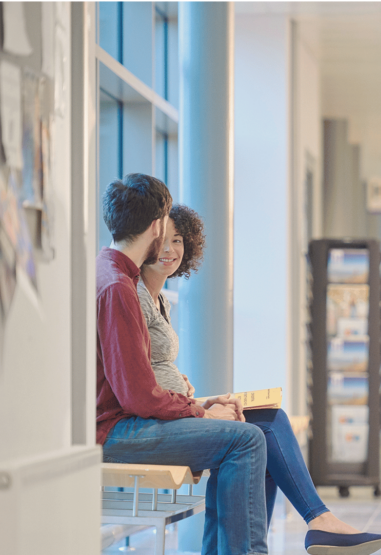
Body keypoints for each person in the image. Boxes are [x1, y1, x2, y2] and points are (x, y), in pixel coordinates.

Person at [136, 204, 381, 555]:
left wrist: (193, 394)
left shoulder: (159, 298)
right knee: (257, 436)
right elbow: (135, 380)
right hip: (157, 424)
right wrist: (199, 408)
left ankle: (318, 521)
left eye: (178, 241)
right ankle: (318, 521)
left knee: (268, 419)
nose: (170, 250)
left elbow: (150, 365)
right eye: (163, 240)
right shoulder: (132, 294)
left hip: (175, 411)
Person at [95, 173, 269, 555]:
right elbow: (138, 396)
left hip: (120, 423)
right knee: (247, 439)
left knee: (242, 437)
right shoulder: (118, 289)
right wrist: (198, 412)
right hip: (117, 432)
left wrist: (197, 409)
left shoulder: (109, 274)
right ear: (157, 226)